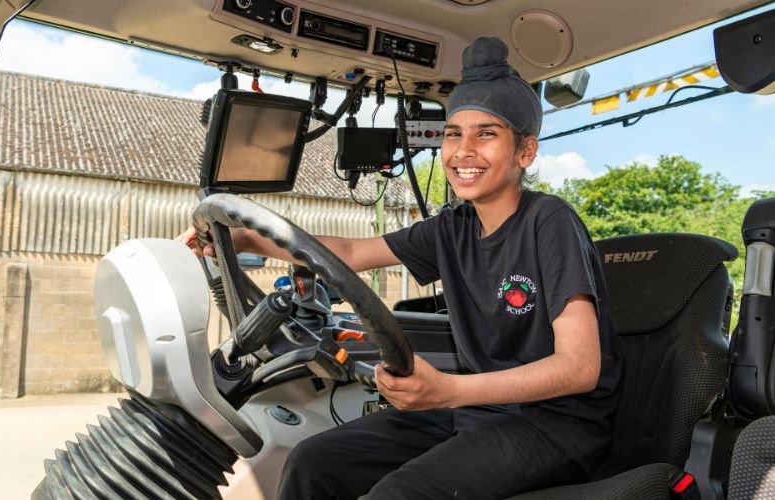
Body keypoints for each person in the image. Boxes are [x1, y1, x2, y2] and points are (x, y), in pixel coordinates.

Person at [183, 37, 623, 500]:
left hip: (555, 424)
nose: (462, 150)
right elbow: (351, 253)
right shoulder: (452, 227)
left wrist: (449, 391)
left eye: (486, 134)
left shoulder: (549, 221)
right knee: (314, 462)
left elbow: (580, 368)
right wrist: (244, 237)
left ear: (525, 152)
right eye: (453, 133)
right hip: (479, 410)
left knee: (400, 494)